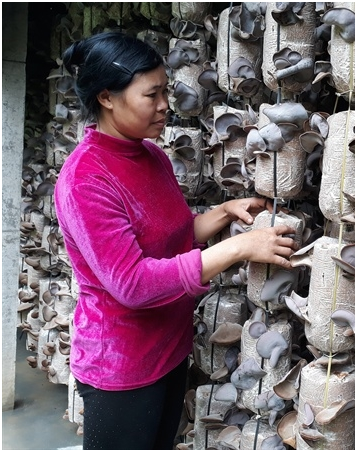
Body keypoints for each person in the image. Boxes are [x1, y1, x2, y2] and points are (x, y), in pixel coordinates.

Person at [54, 31, 297, 450]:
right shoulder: (86, 179)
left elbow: (171, 236)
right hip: (122, 367)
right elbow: (132, 283)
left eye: (166, 90)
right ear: (108, 97)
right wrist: (238, 247)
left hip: (169, 350)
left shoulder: (152, 156)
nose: (166, 105)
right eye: (152, 95)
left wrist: (222, 214)